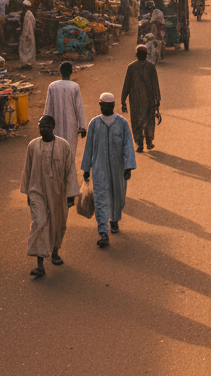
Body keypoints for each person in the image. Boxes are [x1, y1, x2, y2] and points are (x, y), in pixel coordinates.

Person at [20, 114, 74, 278]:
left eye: (47, 127)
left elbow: (70, 171)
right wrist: (28, 192)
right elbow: (27, 169)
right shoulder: (33, 145)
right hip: (37, 191)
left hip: (58, 192)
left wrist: (71, 194)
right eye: (41, 126)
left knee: (58, 223)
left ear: (53, 127)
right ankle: (40, 264)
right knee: (40, 222)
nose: (44, 129)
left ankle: (55, 251)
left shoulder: (63, 145)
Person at [81, 93, 137, 248]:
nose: (105, 108)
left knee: (118, 196)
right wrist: (86, 168)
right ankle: (103, 232)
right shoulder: (94, 124)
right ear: (100, 105)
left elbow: (128, 145)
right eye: (103, 105)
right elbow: (89, 147)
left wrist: (128, 167)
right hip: (99, 168)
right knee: (100, 198)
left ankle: (115, 220)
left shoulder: (122, 123)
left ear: (112, 106)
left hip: (118, 168)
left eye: (108, 105)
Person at [42, 61, 87, 198]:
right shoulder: (74, 87)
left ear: (60, 71)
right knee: (69, 158)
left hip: (54, 128)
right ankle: (71, 192)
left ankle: (57, 190)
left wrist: (44, 127)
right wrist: (83, 126)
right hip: (71, 127)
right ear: (71, 72)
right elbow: (79, 107)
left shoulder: (52, 86)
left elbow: (48, 109)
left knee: (55, 157)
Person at [121, 45, 161, 152]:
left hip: (135, 100)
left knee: (136, 121)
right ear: (146, 55)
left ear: (137, 55)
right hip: (149, 100)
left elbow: (127, 85)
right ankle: (149, 142)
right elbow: (155, 84)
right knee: (149, 121)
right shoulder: (151, 67)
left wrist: (123, 100)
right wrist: (158, 99)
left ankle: (139, 143)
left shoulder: (131, 67)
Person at [19, 1, 36, 70]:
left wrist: (26, 35)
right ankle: (26, 63)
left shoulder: (28, 14)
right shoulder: (27, 13)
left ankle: (27, 64)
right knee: (25, 49)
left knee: (27, 49)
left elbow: (28, 27)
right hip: (27, 34)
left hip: (27, 35)